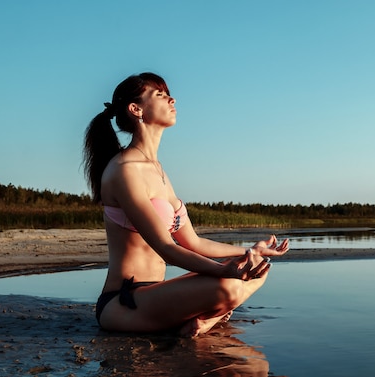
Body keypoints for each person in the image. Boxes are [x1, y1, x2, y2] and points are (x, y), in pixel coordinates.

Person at [83, 72, 289, 336]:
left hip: (154, 295)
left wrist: (249, 251)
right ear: (136, 109)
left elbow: (194, 242)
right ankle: (204, 319)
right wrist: (224, 271)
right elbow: (167, 248)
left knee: (256, 269)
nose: (172, 99)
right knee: (229, 285)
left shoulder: (157, 169)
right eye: (160, 94)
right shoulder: (125, 170)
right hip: (125, 302)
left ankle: (202, 321)